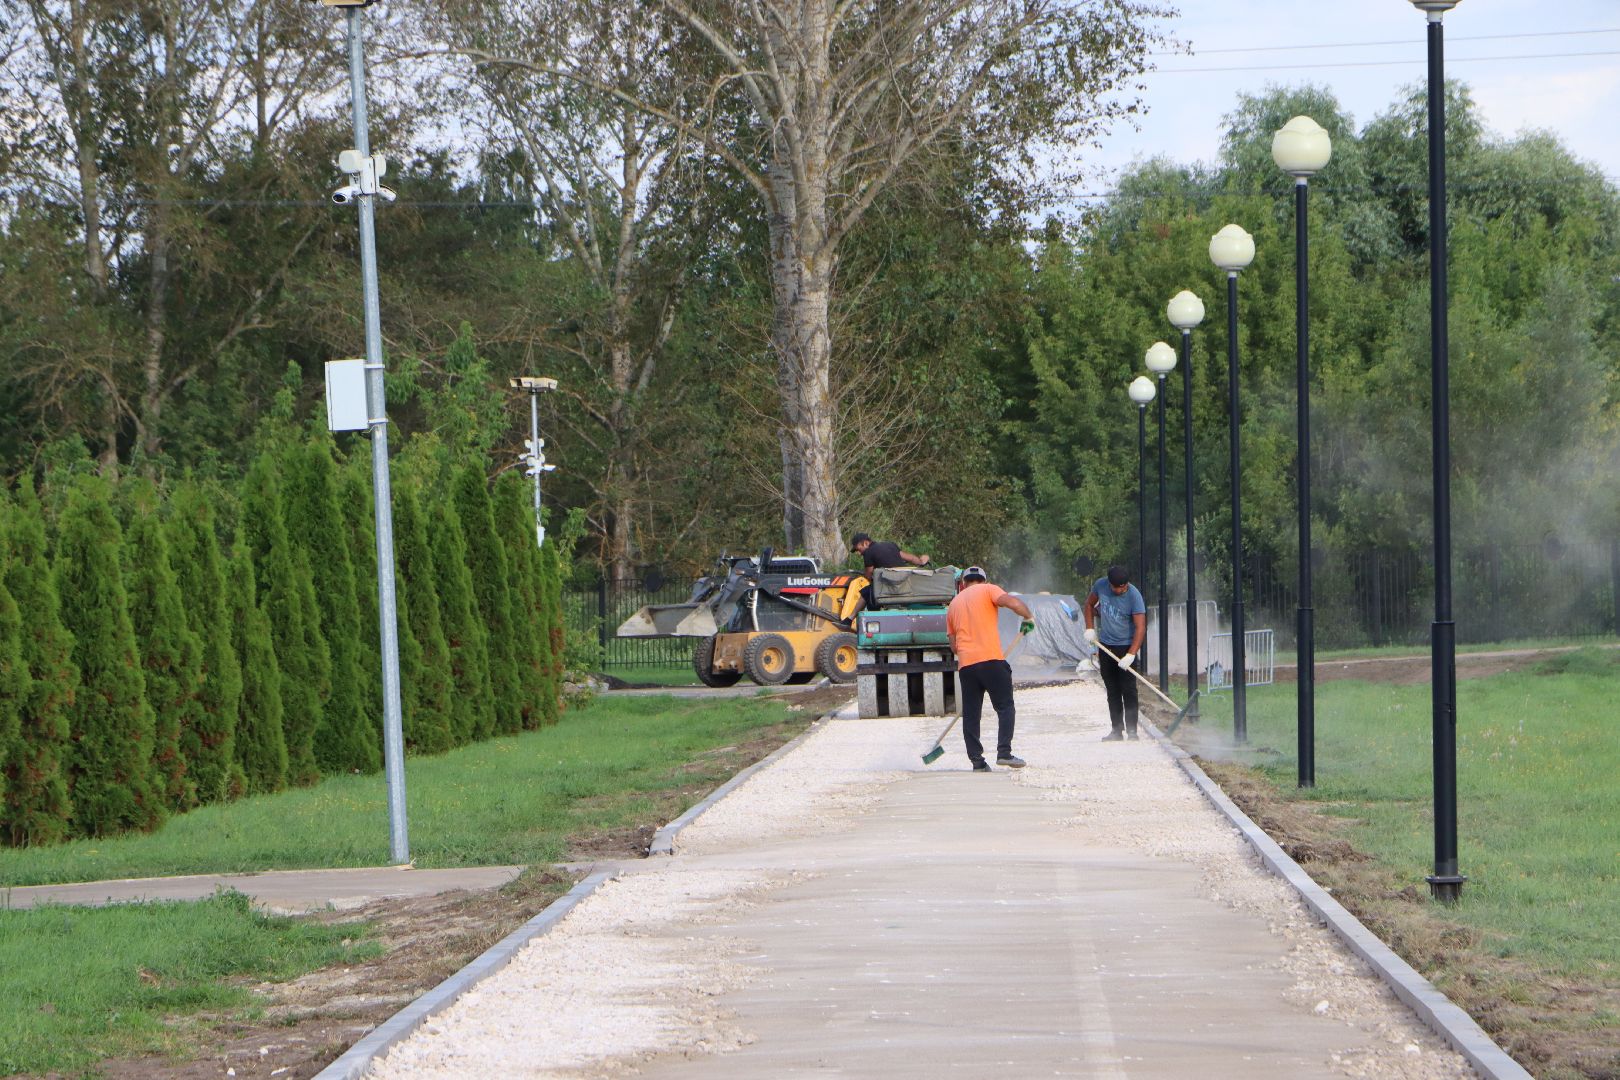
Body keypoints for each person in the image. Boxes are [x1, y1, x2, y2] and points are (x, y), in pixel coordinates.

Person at [946, 566, 1035, 771]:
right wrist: (1029, 617)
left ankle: (977, 762)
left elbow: (953, 646)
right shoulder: (989, 590)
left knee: (971, 714)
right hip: (992, 661)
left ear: (963, 583)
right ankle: (1004, 753)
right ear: (984, 580)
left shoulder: (953, 604)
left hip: (967, 666)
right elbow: (1011, 602)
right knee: (1005, 708)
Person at [1084, 565, 1147, 741]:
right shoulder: (1100, 586)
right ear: (1110, 584)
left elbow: (1140, 627)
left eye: (1124, 586)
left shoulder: (1134, 596)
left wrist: (1131, 654)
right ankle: (1116, 730)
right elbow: (1089, 605)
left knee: (1129, 690)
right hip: (1106, 647)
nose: (1121, 590)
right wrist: (1089, 628)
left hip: (1126, 647)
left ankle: (1133, 731)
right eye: (1117, 587)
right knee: (1112, 690)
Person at [850, 533, 930, 574]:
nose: (860, 553)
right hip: (905, 579)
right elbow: (910, 558)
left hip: (888, 586)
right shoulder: (890, 544)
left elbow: (868, 576)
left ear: (866, 543)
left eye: (859, 549)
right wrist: (921, 561)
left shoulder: (868, 552)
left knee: (864, 593)